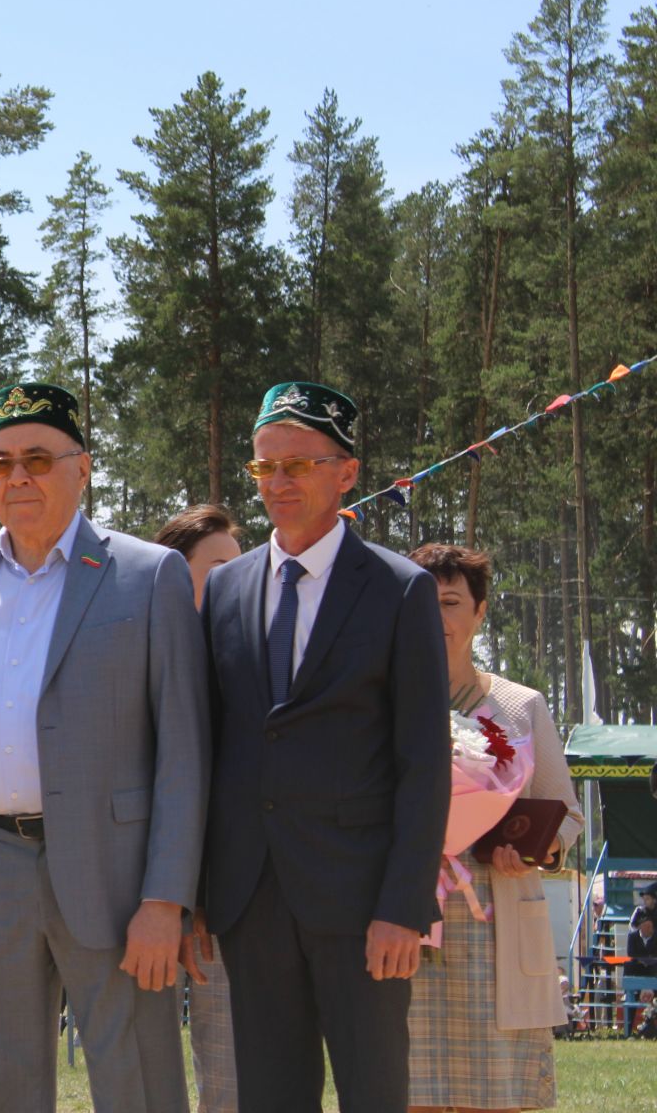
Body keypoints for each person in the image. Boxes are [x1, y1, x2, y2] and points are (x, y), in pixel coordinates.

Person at [0, 381, 209, 1113]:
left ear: (84, 466)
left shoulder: (147, 575)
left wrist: (166, 900)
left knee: (138, 1080)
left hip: (116, 875)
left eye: (37, 458)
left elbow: (184, 753)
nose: (18, 477)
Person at [199, 382, 450, 1112]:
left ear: (347, 472)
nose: (277, 484)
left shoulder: (401, 591)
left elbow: (423, 760)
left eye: (298, 466)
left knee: (374, 1092)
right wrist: (199, 897)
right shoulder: (225, 590)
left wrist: (405, 905)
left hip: (362, 901)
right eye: (264, 468)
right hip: (251, 896)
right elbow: (215, 745)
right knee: (270, 1097)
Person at [405, 543, 584, 1113]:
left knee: (499, 1098)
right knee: (411, 1092)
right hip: (409, 923)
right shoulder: (385, 703)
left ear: (481, 613)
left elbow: (569, 816)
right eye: (423, 602)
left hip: (497, 925)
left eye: (452, 602)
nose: (438, 618)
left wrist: (541, 851)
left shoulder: (520, 706)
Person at [153, 504, 245, 1113]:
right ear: (169, 573)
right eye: (218, 569)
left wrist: (209, 896)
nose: (235, 581)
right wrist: (168, 902)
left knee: (233, 1075)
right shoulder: (127, 660)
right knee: (143, 1076)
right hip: (138, 910)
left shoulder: (249, 666)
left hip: (230, 908)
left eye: (240, 568)